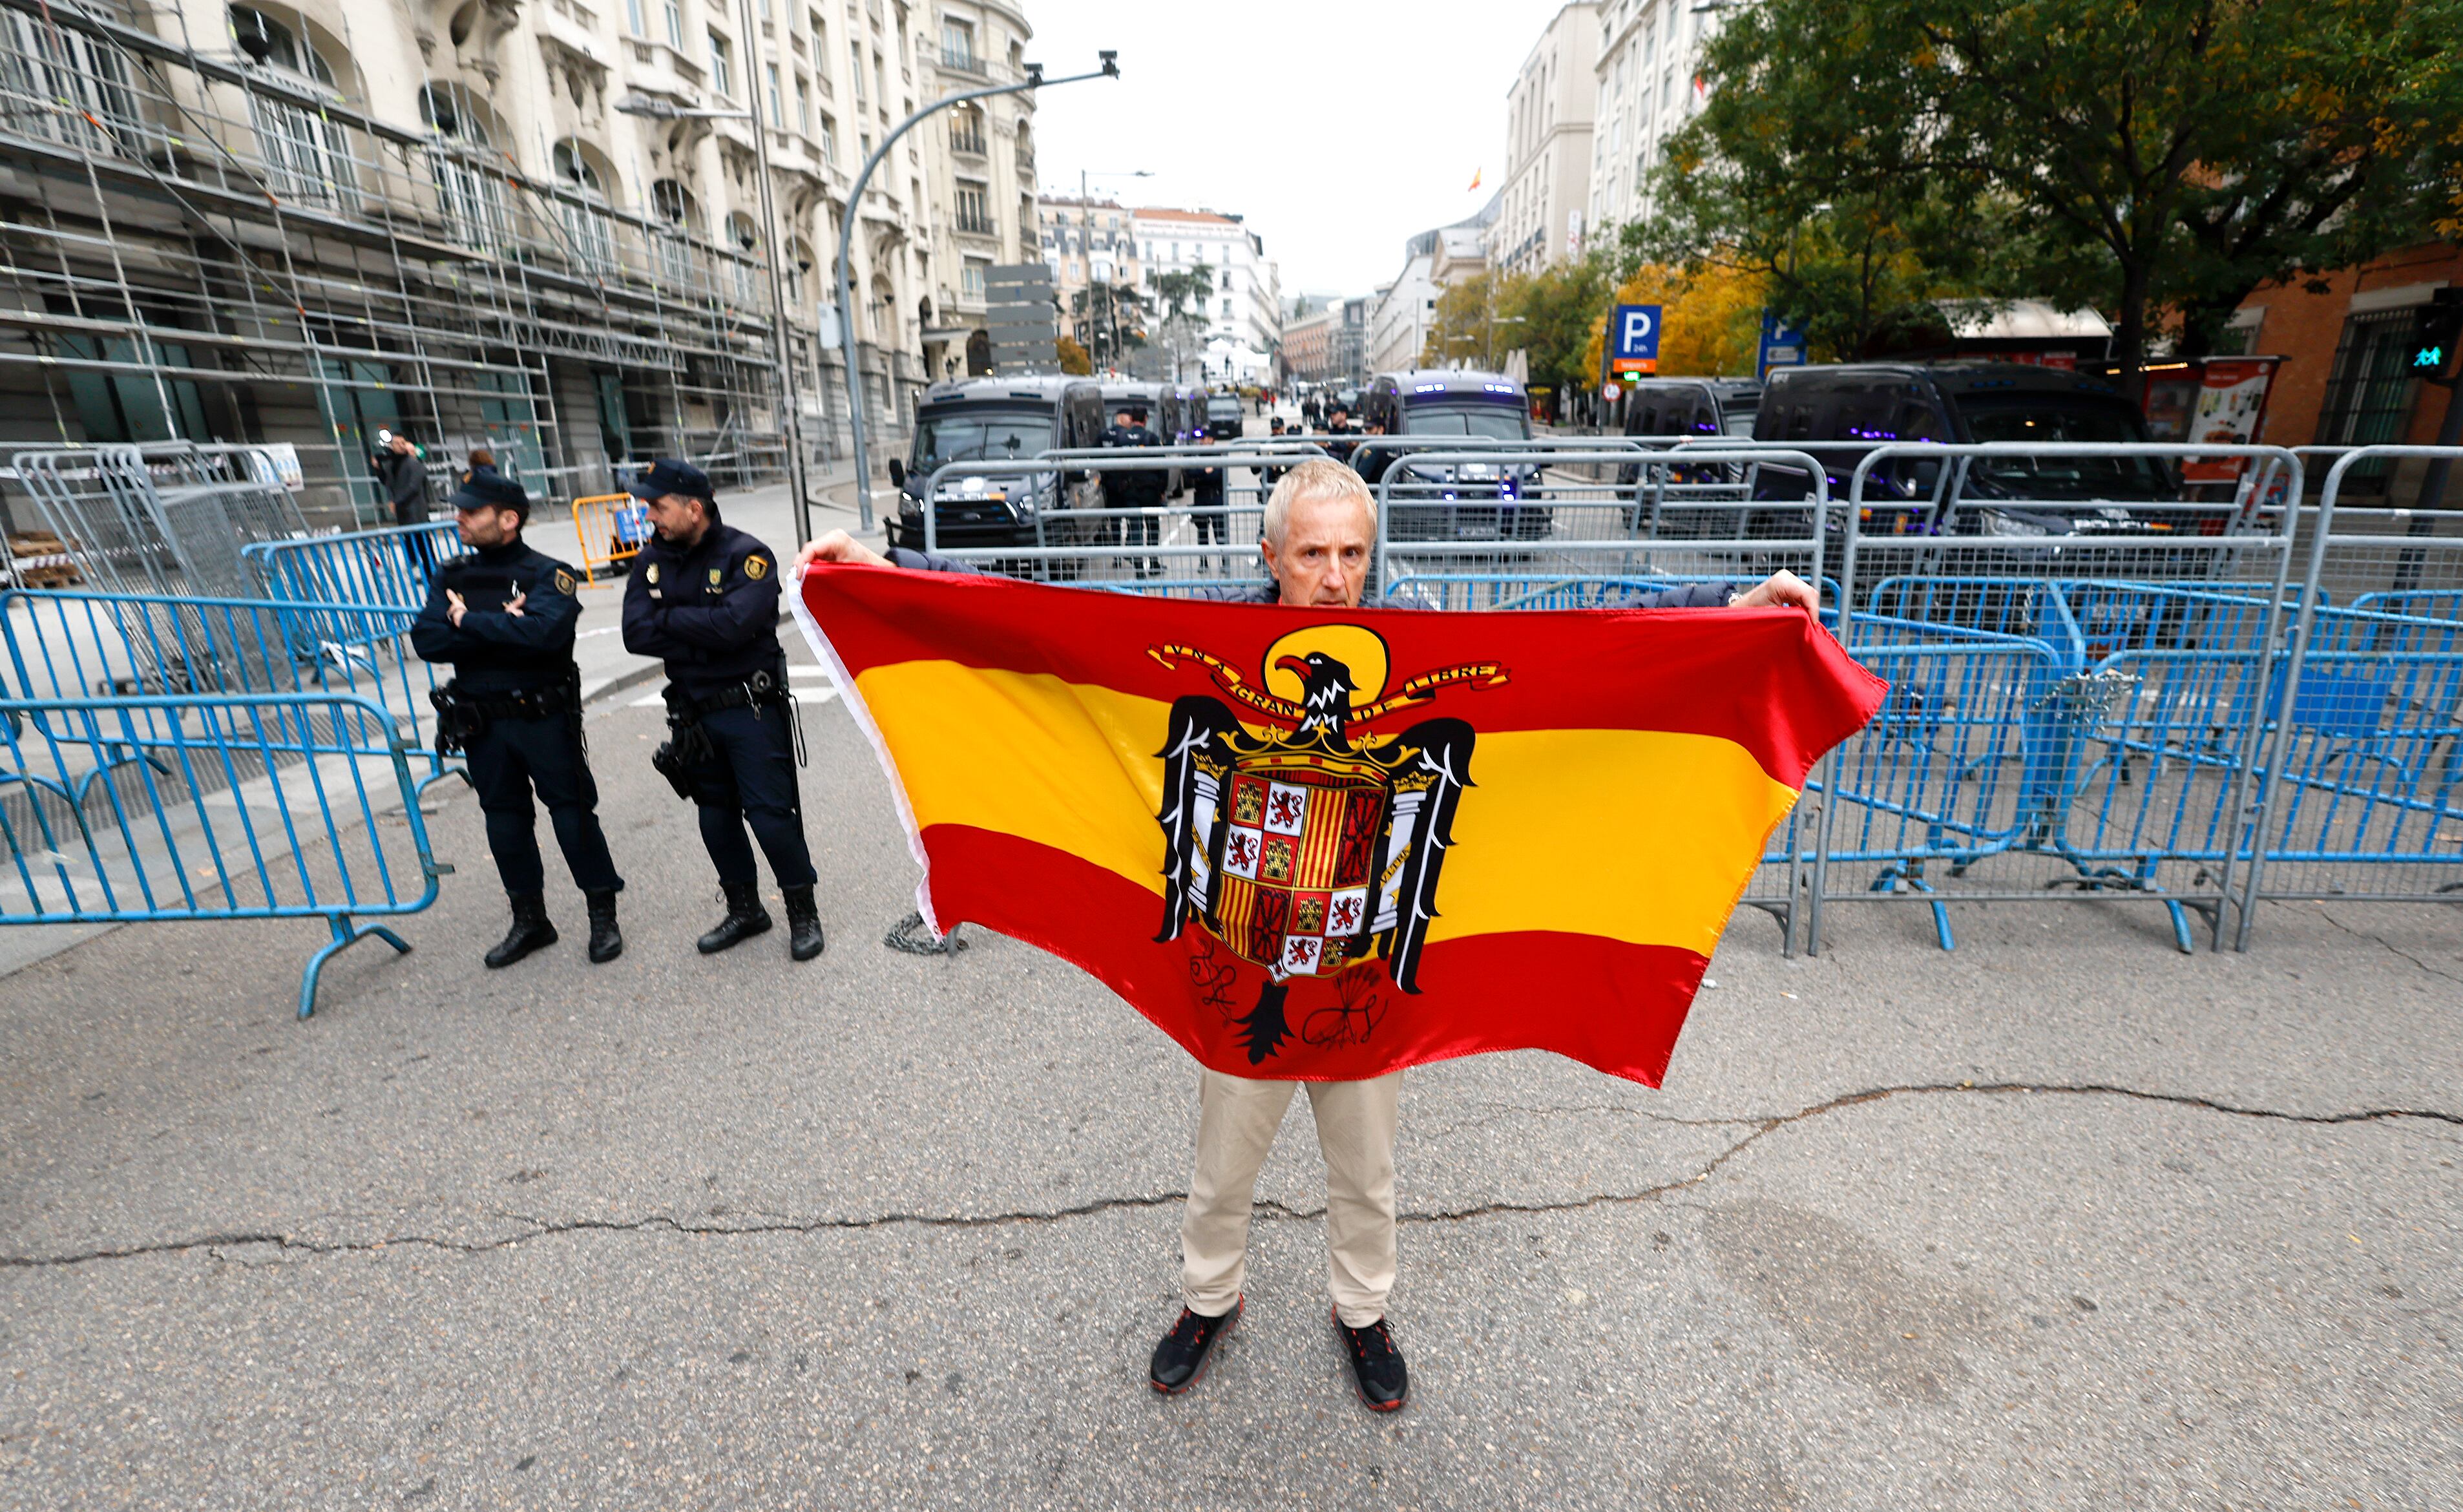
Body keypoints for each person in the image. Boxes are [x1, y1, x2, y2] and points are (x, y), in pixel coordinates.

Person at [791, 459, 1814, 1412]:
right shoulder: (1203, 641)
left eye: (1354, 553)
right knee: (1224, 1159)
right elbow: (1042, 627)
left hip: (1368, 961)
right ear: (1271, 555)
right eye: (1315, 554)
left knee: (1366, 1167)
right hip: (1241, 954)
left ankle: (1362, 1312)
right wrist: (900, 573)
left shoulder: (1425, 650)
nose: (1336, 577)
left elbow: (1583, 654)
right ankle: (1210, 1296)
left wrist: (1724, 615)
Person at [409, 466, 624, 967]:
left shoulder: (549, 572)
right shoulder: (453, 573)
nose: (458, 517)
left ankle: (602, 916)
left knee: (572, 816)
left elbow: (545, 636)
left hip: (543, 717)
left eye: (471, 511)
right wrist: (505, 622)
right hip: (482, 721)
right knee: (504, 823)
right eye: (458, 509)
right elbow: (428, 640)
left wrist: (466, 620)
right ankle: (530, 920)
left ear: (509, 519)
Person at [620, 458, 825, 961]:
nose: (650, 517)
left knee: (771, 818)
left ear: (695, 508)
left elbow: (736, 626)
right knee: (715, 817)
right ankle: (746, 909)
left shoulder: (746, 555)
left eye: (659, 506)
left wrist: (668, 616)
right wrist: (704, 625)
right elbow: (634, 634)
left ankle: (803, 911)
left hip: (749, 708)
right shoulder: (650, 560)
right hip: (693, 712)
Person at [1097, 406, 1165, 547]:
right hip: (1150, 491)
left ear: (1132, 419)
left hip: (1129, 491)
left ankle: (1139, 566)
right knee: (1153, 526)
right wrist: (1162, 489)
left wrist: (1119, 487)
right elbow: (1163, 467)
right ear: (1146, 419)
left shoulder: (1120, 439)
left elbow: (1114, 466)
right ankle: (1154, 564)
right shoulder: (1151, 438)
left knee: (1135, 528)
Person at [373, 433, 436, 580]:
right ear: (392, 446)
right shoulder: (391, 465)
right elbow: (388, 483)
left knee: (423, 543)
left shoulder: (414, 464)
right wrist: (377, 469)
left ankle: (431, 572)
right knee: (410, 542)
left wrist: (396, 502)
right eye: (398, 443)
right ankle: (417, 569)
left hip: (416, 511)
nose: (401, 445)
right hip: (403, 512)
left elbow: (413, 487)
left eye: (403, 442)